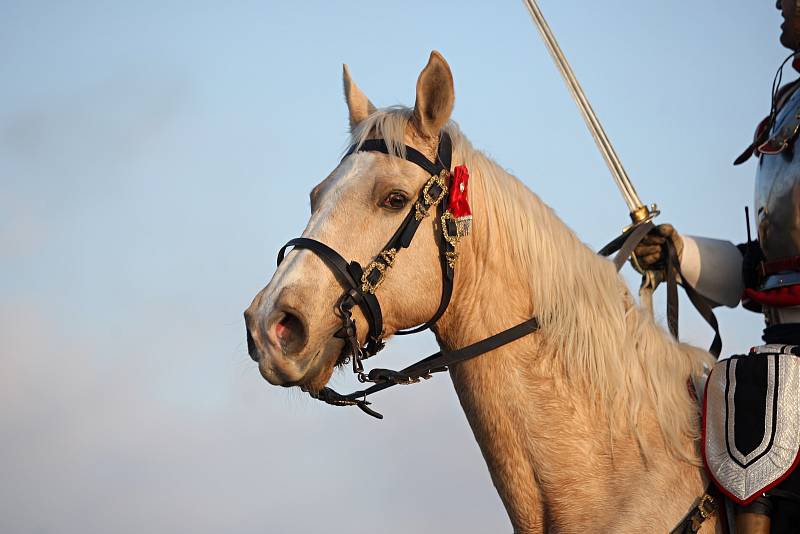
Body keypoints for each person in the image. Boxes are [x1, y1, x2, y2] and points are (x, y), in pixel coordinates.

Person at [634, 3, 800, 533]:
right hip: (783, 353)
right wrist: (681, 254)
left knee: (760, 408)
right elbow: (765, 269)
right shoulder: (788, 106)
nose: (778, 3)